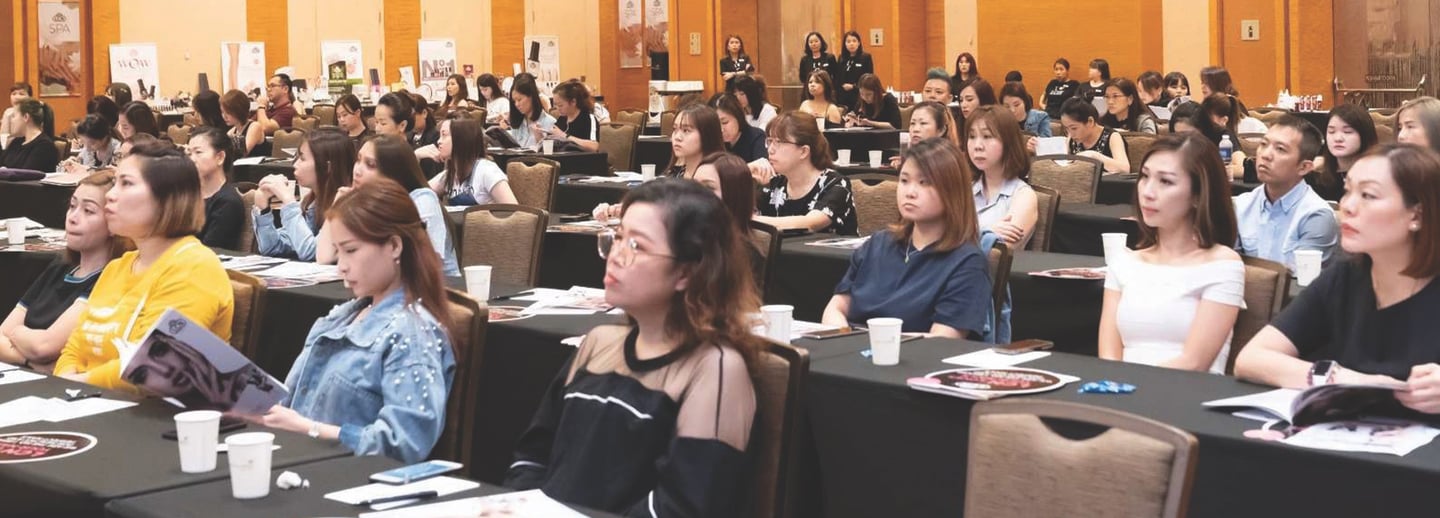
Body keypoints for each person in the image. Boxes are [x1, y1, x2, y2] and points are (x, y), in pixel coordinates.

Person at [507, 179, 761, 516]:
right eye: (617, 238)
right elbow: (532, 456)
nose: (615, 256)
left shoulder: (715, 368)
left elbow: (682, 506)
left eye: (637, 246)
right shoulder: (598, 341)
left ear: (686, 273)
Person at [248, 180, 455, 462]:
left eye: (351, 250)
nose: (341, 266)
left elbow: (404, 443)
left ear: (394, 246)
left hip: (345, 475)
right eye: (339, 252)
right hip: (299, 461)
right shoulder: (341, 317)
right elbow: (292, 401)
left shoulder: (412, 335)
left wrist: (309, 429)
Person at [1235, 144, 1440, 409]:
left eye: (1368, 195)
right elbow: (1251, 358)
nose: (1347, 206)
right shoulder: (1344, 277)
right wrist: (1341, 379)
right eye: (1347, 191)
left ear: (1417, 215)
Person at [53, 140, 234, 390]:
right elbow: (74, 348)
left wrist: (76, 383)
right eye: (115, 183)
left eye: (126, 184)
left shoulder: (194, 267)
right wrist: (66, 381)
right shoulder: (118, 266)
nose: (110, 195)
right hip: (87, 398)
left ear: (166, 198)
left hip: (153, 410)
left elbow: (153, 366)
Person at [1098, 133, 1244, 374]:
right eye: (1145, 176)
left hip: (1185, 391)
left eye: (1165, 181)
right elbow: (1109, 357)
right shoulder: (1124, 262)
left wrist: (1127, 386)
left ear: (1198, 195)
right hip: (1120, 388)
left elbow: (1194, 363)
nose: (1148, 192)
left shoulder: (1222, 264)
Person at [822, 137, 991, 337]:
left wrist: (877, 343)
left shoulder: (967, 263)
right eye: (904, 180)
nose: (910, 192)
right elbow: (836, 308)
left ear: (952, 190)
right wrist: (844, 337)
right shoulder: (878, 243)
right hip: (851, 348)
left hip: (910, 354)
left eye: (924, 182)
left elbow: (942, 341)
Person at [0, 171, 129, 371]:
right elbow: (3, 333)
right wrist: (29, 361)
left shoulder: (109, 277)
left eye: (88, 211)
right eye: (72, 206)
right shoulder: (60, 266)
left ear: (113, 223)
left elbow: (45, 347)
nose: (73, 218)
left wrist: (17, 333)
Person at [328, 135, 459, 276]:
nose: (357, 171)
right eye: (358, 160)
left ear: (393, 173)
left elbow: (428, 264)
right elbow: (325, 256)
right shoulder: (364, 203)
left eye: (370, 165)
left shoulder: (422, 200)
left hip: (437, 286)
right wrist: (337, 207)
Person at [1233, 115, 1339, 272]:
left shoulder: (1315, 215)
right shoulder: (1241, 206)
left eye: (1280, 149)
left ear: (1304, 167)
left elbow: (1301, 281)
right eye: (1264, 144)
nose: (1265, 155)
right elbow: (1228, 267)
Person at [254, 127, 354, 261]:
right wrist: (263, 208)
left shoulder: (347, 206)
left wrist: (288, 200)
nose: (295, 164)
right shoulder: (311, 202)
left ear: (327, 167)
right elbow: (273, 248)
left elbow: (311, 252)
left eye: (302, 158)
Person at [753, 112, 857, 235]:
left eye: (779, 142)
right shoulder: (774, 183)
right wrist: (746, 173)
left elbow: (809, 224)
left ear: (803, 151)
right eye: (770, 141)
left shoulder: (836, 184)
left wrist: (750, 220)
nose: (770, 150)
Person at [968, 106, 1038, 249]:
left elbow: (1000, 252)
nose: (977, 146)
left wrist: (963, 233)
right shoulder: (964, 189)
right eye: (972, 137)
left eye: (987, 136)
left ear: (1008, 142)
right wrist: (987, 231)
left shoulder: (1023, 196)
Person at [429, 117, 517, 206]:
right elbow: (422, 194)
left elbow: (514, 210)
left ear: (461, 139)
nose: (439, 141)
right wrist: (420, 155)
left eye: (444, 135)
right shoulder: (449, 175)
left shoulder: (487, 170)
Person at [186, 127, 245, 250]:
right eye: (189, 153)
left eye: (198, 152)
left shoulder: (228, 202)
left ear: (220, 157)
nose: (192, 159)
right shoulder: (187, 195)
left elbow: (209, 250)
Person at [1310, 103, 1377, 202]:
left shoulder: (1379, 177)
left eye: (1347, 132)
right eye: (1331, 132)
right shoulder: (1315, 176)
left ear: (1364, 135)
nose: (1338, 138)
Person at [1060, 98, 1130, 173]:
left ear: (1090, 121)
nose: (1070, 134)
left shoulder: (1113, 137)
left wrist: (1094, 156)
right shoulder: (1071, 140)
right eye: (1066, 129)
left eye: (1074, 128)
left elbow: (1125, 169)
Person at [663, 104, 725, 179]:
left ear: (706, 134)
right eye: (675, 129)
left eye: (686, 130)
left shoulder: (717, 177)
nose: (677, 137)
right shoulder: (674, 175)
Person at [1198, 66, 1266, 133]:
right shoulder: (1200, 115)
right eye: (1202, 83)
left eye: (1207, 83)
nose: (1203, 86)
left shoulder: (1253, 125)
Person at [0, 99, 59, 172]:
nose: (11, 121)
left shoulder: (44, 146)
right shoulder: (16, 141)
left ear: (26, 117)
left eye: (13, 116)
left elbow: (25, 176)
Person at [710, 93, 767, 163]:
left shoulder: (757, 137)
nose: (721, 129)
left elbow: (762, 166)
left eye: (725, 122)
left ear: (738, 116)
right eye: (715, 124)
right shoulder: (714, 140)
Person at [501, 77, 556, 149]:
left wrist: (540, 139)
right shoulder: (518, 122)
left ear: (532, 97)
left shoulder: (550, 122)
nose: (516, 104)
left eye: (519, 100)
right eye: (514, 101)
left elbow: (551, 152)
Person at [548, 80, 602, 152]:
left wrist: (564, 136)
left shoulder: (588, 118)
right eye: (555, 105)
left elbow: (594, 147)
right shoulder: (562, 119)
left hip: (581, 158)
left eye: (560, 105)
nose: (557, 109)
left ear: (573, 102)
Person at [407, 92, 443, 178]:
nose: (408, 121)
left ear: (424, 113)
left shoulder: (437, 138)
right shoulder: (407, 136)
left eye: (412, 116)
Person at [836, 31, 872, 111]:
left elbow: (869, 78)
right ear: (845, 44)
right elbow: (837, 77)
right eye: (848, 41)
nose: (851, 44)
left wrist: (854, 87)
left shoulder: (865, 57)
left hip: (858, 95)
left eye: (854, 41)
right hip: (843, 97)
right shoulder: (841, 58)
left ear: (859, 43)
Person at [221, 90, 263, 156]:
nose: (224, 116)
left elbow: (243, 153)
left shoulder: (254, 126)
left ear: (238, 111)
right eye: (222, 112)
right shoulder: (231, 132)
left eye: (228, 112)